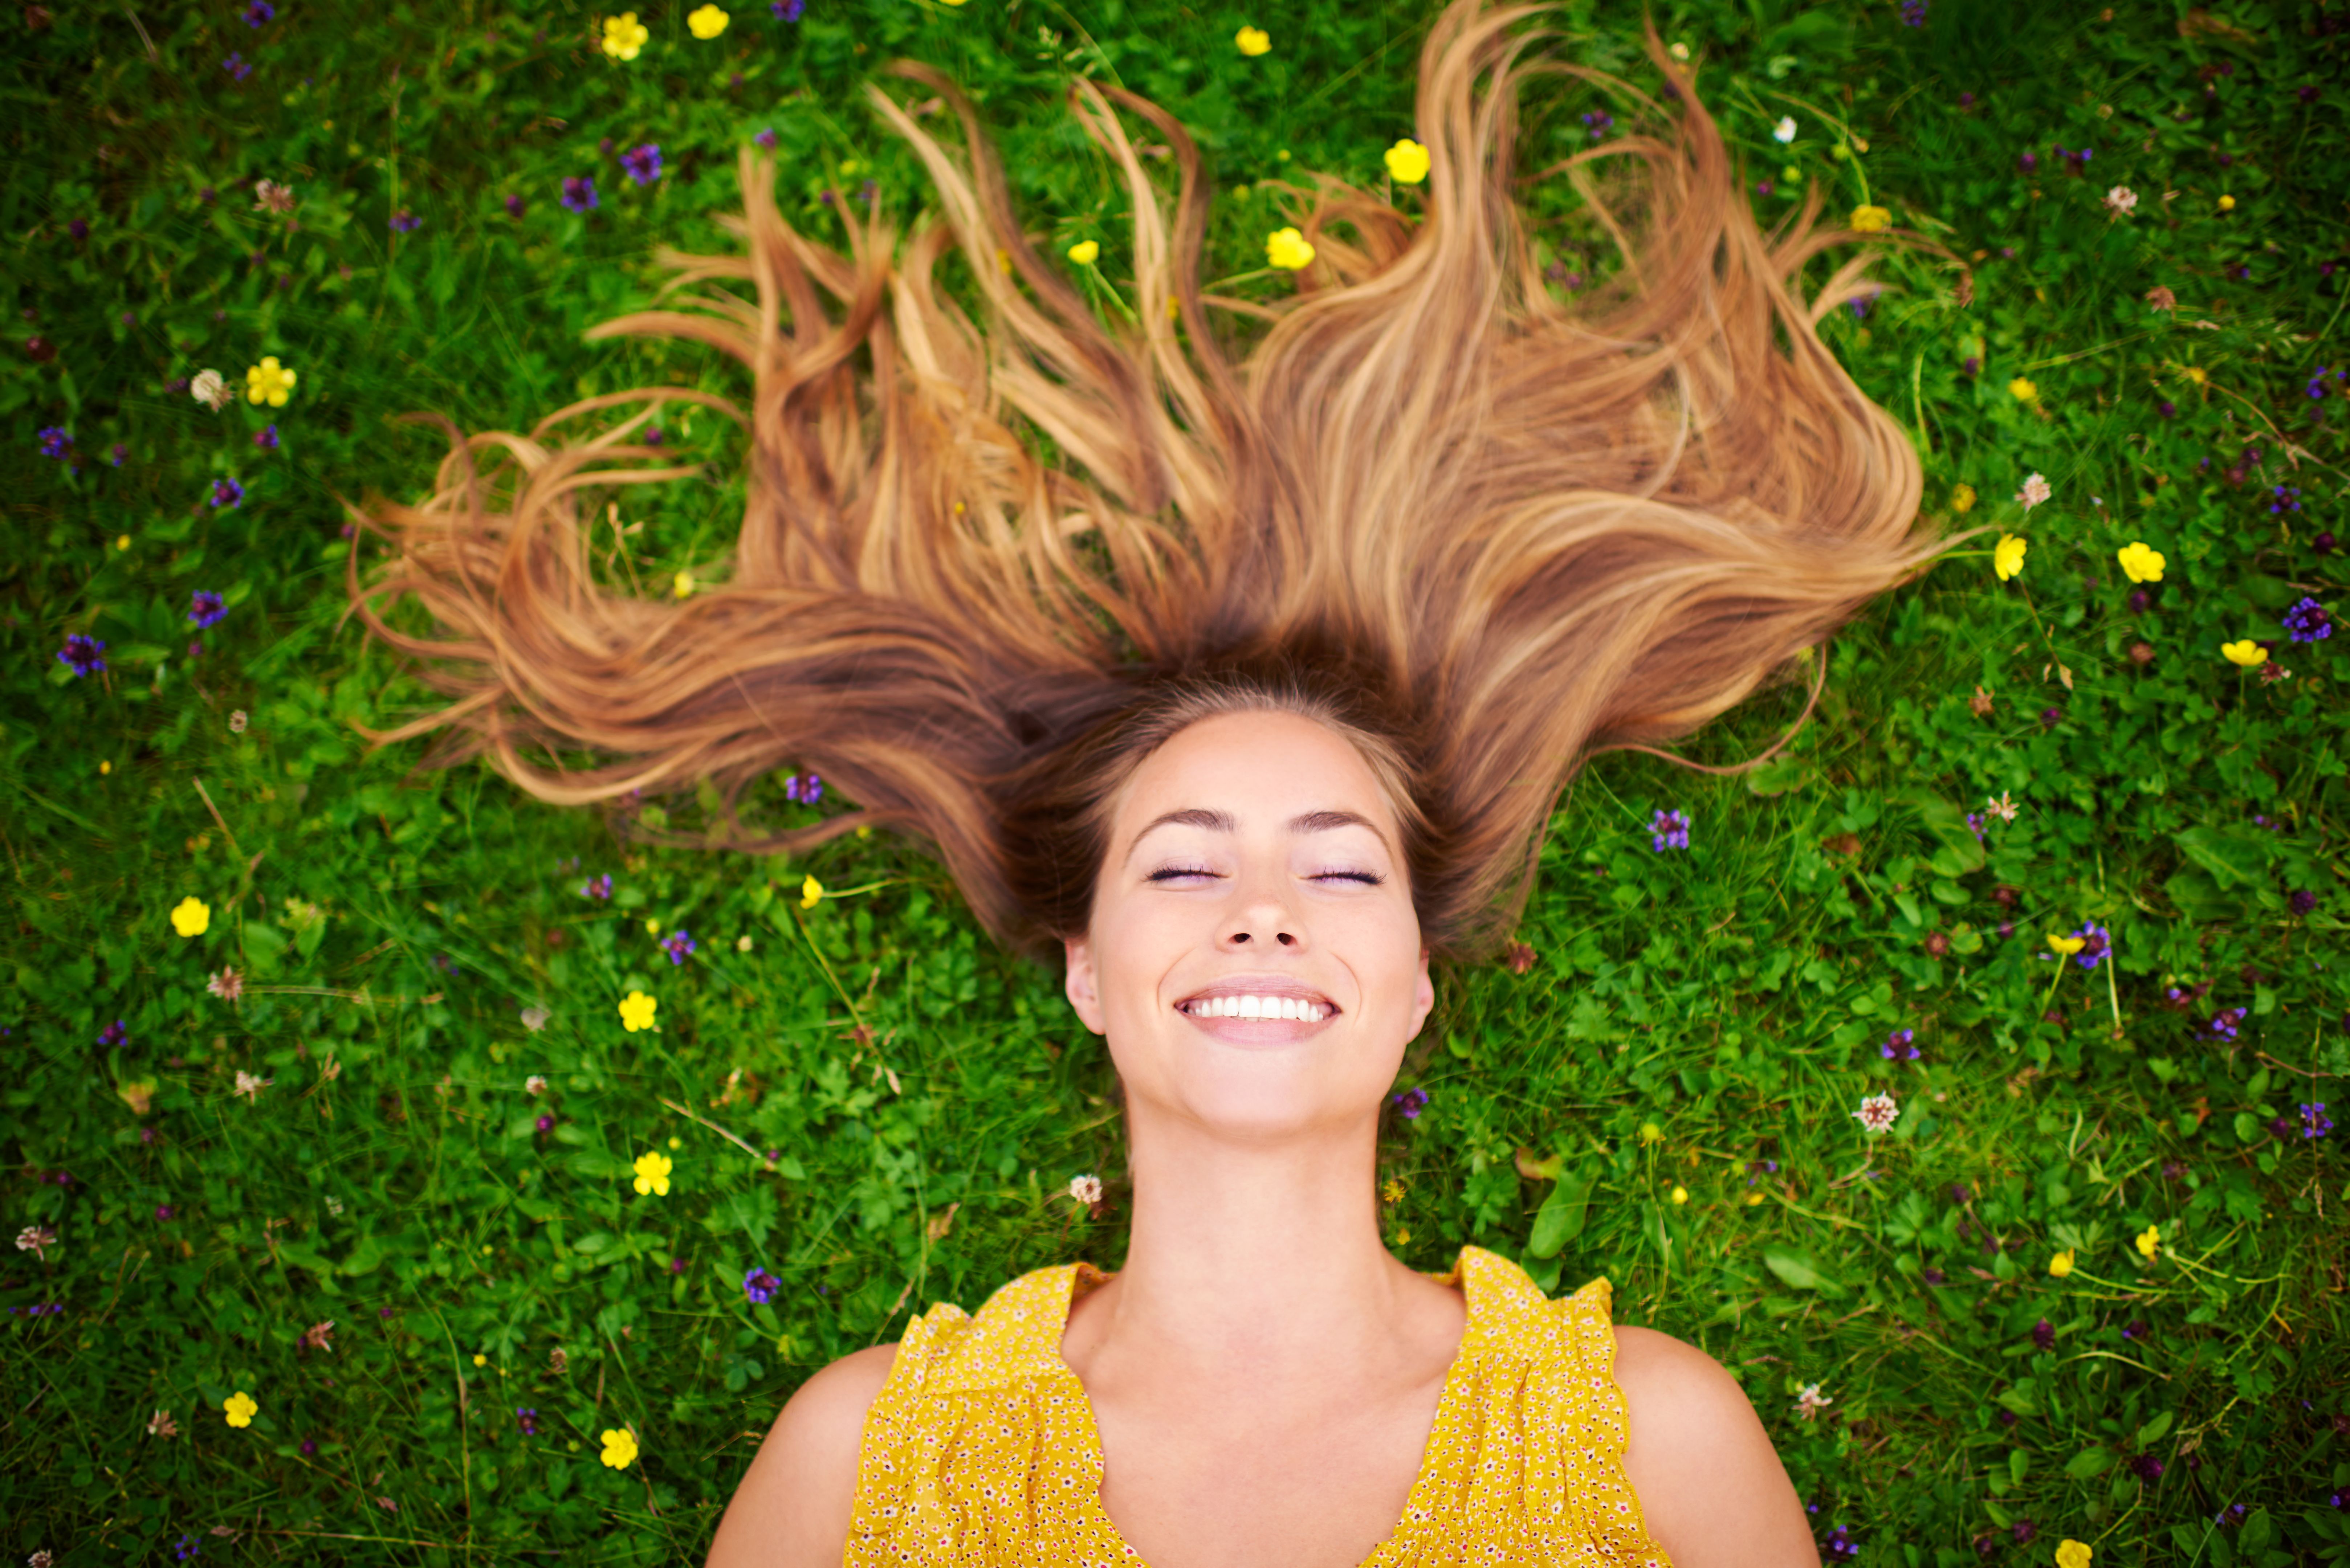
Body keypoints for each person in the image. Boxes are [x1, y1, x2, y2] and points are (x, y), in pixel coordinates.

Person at [347, 1, 1961, 1560]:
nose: (1262, 912)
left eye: (1338, 870)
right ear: (1085, 977)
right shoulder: (865, 1456)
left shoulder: (1649, 1432)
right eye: (1183, 866)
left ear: (1413, 985)